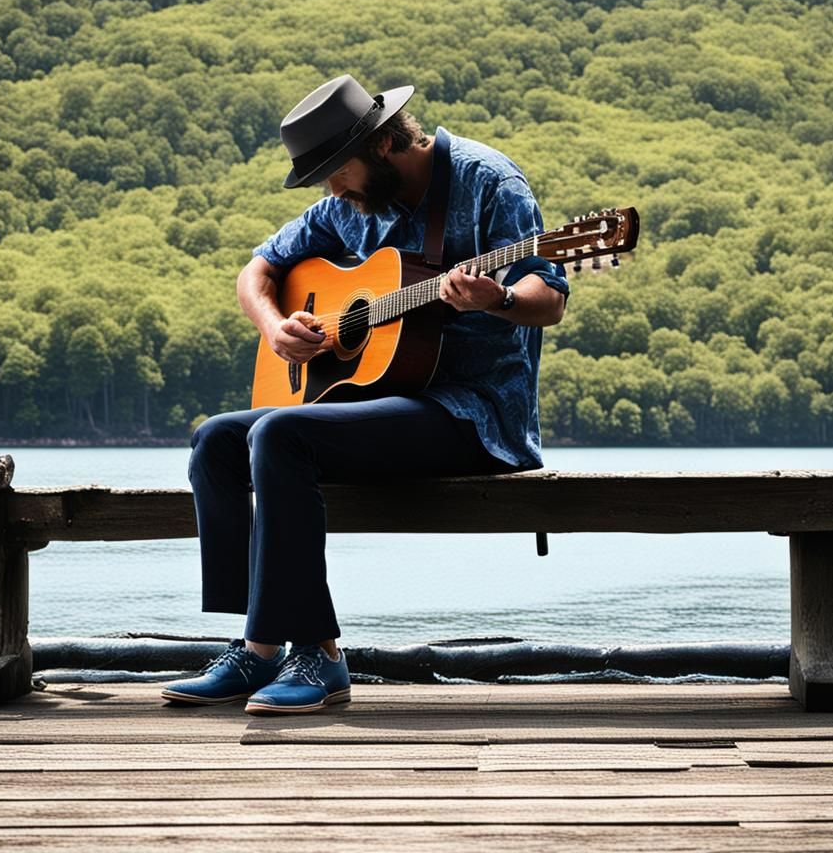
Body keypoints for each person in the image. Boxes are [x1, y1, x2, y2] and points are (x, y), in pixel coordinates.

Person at [162, 74, 568, 715]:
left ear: (380, 145)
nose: (331, 190)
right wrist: (276, 328)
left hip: (475, 414)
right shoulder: (352, 208)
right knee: (215, 439)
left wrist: (502, 298)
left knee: (279, 433)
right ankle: (261, 650)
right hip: (383, 407)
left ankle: (316, 657)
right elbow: (258, 270)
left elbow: (548, 301)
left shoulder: (491, 183)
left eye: (334, 171)